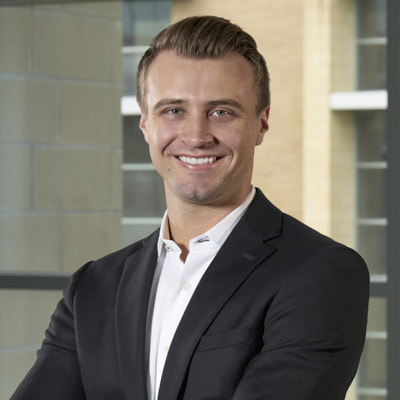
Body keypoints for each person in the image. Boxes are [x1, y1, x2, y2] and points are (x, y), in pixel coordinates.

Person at [12, 16, 369, 400]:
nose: (196, 136)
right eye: (173, 111)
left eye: (221, 112)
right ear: (145, 124)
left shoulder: (321, 274)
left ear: (261, 124)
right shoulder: (94, 288)